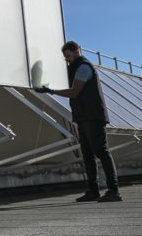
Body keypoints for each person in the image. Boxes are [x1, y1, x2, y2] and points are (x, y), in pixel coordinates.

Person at [35, 41, 122, 202]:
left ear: (77, 51)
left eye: (69, 56)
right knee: (88, 154)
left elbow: (75, 92)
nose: (67, 60)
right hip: (83, 115)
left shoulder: (83, 67)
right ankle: (93, 191)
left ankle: (113, 190)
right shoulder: (73, 68)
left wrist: (50, 91)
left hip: (93, 115)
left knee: (101, 151)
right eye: (65, 58)